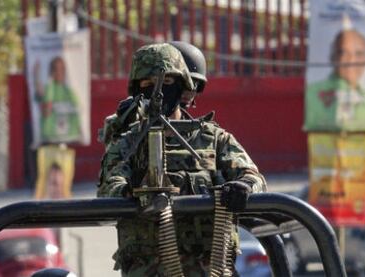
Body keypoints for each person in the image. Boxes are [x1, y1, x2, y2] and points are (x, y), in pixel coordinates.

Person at [97, 43, 266, 276]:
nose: (157, 92)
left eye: (165, 83)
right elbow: (109, 187)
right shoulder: (127, 144)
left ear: (182, 86)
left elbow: (254, 179)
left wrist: (243, 187)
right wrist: (132, 191)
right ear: (137, 90)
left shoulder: (213, 140)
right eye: (147, 84)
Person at [98, 41, 208, 147]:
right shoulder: (127, 132)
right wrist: (123, 124)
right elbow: (113, 154)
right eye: (148, 83)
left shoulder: (208, 137)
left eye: (167, 82)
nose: (158, 91)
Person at [304, 28, 365, 132]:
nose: (352, 60)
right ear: (333, 57)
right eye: (344, 53)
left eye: (359, 54)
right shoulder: (313, 93)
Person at [34, 56, 82, 143]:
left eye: (62, 69)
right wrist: (38, 76)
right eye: (55, 69)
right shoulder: (47, 89)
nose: (59, 73)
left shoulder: (70, 91)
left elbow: (77, 114)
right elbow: (46, 111)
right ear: (51, 72)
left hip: (69, 140)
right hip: (49, 140)